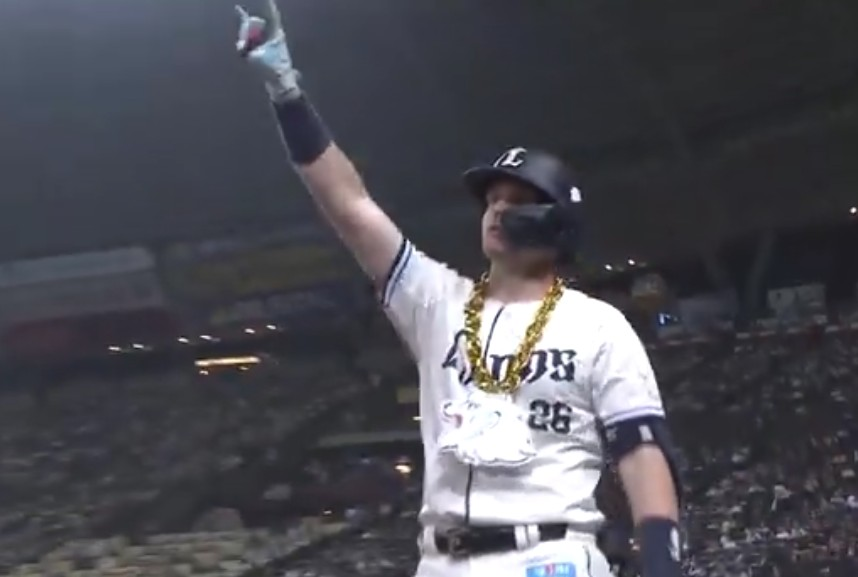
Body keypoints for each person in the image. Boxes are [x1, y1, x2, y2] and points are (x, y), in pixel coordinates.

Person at [233, 3, 683, 577]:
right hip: (442, 559)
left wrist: (663, 562)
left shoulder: (598, 326)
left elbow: (641, 450)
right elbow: (351, 206)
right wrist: (286, 92)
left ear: (557, 225)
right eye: (492, 199)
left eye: (517, 202)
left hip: (550, 556)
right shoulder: (436, 301)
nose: (496, 210)